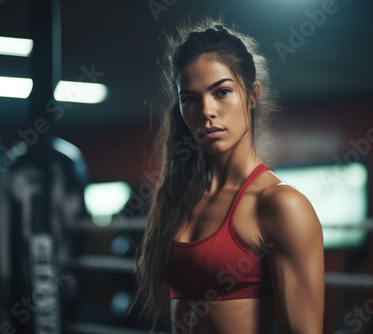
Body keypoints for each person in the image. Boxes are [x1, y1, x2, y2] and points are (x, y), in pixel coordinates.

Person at [133, 18, 325, 334]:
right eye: (190, 99)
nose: (206, 111)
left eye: (221, 92)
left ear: (252, 95)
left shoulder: (281, 205)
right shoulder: (179, 196)